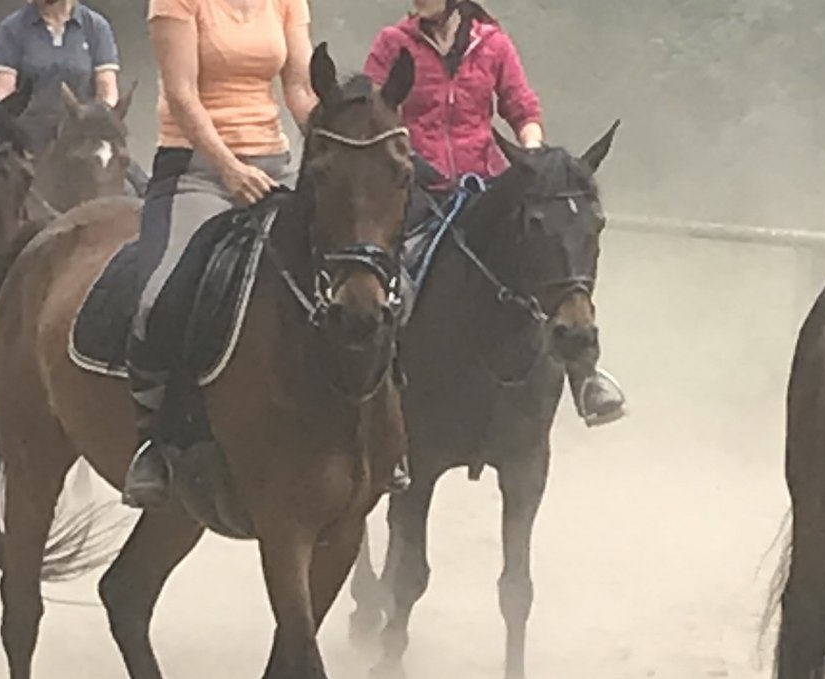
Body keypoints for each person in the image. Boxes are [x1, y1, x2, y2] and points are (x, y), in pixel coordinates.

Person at [365, 0, 629, 428]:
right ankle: (379, 399)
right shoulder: (392, 44)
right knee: (388, 273)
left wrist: (532, 154)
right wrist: (404, 158)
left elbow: (522, 108)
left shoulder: (493, 45)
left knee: (552, 256)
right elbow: (374, 114)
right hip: (417, 187)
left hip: (485, 185)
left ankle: (586, 379)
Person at [118, 0, 317, 508]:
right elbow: (182, 95)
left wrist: (340, 138)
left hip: (276, 162)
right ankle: (153, 437)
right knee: (160, 297)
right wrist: (230, 168)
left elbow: (298, 87)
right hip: (195, 168)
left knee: (359, 275)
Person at [0, 0, 120, 106]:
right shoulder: (11, 28)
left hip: (83, 130)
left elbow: (107, 91)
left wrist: (99, 119)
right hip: (28, 130)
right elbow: (4, 92)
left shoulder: (96, 26)